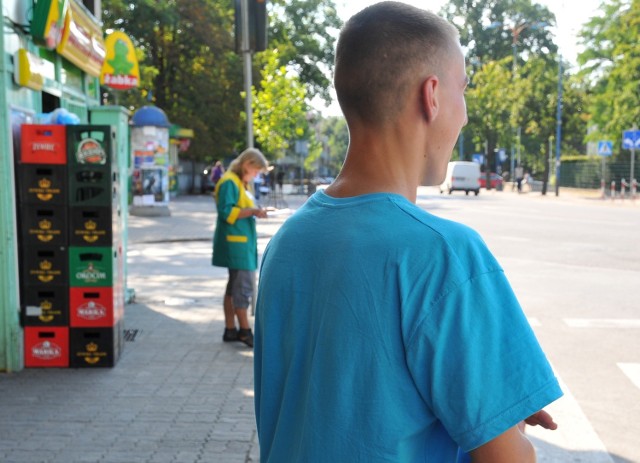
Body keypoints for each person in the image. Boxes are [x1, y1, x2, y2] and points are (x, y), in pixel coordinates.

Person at [254, 3, 562, 462]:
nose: (465, 115)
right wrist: (510, 425)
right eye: (463, 90)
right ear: (431, 96)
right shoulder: (442, 253)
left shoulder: (288, 241)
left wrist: (490, 396)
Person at [212, 148, 268, 348]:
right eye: (256, 171)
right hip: (236, 244)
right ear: (247, 164)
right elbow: (226, 211)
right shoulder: (230, 182)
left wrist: (254, 211)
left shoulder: (239, 182)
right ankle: (245, 331)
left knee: (233, 288)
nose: (257, 175)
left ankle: (230, 330)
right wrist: (253, 211)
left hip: (240, 242)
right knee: (242, 289)